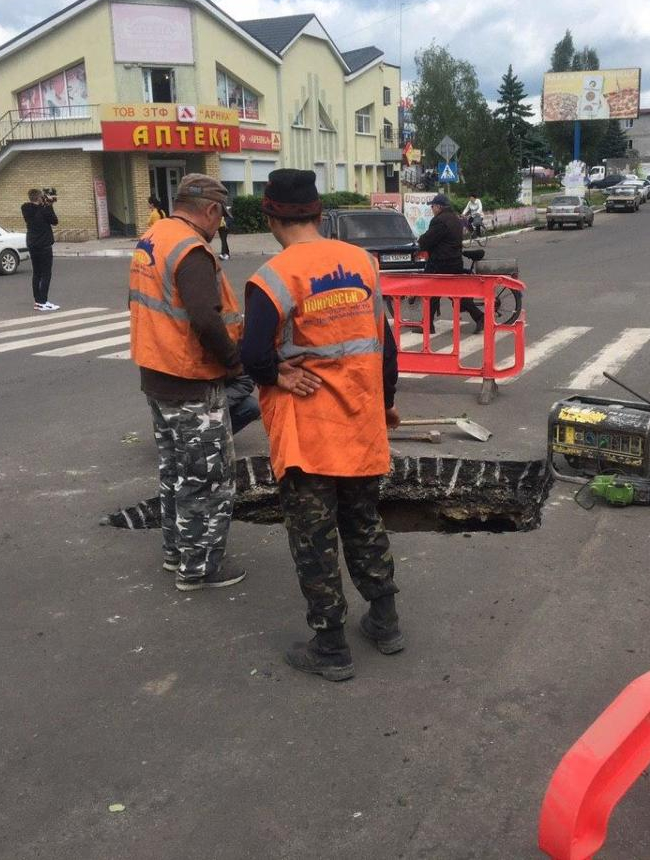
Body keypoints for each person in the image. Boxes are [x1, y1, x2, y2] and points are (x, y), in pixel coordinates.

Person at [242, 168, 402, 682]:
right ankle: (385, 620)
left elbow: (252, 354)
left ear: (271, 216)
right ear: (318, 211)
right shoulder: (363, 264)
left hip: (309, 434)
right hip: (360, 423)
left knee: (314, 538)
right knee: (363, 522)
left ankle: (330, 646)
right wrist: (386, 403)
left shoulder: (272, 277)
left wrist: (276, 374)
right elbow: (385, 345)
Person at [129, 173, 246, 592]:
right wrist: (235, 363)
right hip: (190, 378)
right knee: (206, 479)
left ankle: (176, 552)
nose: (219, 228)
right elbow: (204, 317)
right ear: (211, 210)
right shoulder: (193, 251)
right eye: (221, 217)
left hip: (157, 373)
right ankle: (199, 569)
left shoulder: (154, 236)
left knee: (176, 471)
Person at [418, 193, 484, 334]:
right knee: (447, 293)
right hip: (454, 261)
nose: (432, 208)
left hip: (441, 263)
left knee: (434, 293)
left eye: (433, 206)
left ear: (439, 206)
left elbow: (428, 239)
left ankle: (479, 317)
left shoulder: (440, 221)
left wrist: (420, 243)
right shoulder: (454, 218)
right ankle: (428, 324)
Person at [21, 189, 59, 311]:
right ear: (39, 198)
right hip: (44, 246)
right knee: (46, 273)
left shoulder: (26, 208)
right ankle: (43, 301)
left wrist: (44, 204)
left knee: (37, 273)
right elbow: (55, 221)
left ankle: (38, 301)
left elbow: (35, 208)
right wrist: (49, 205)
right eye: (42, 197)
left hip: (32, 245)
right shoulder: (44, 210)